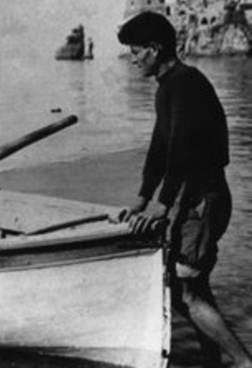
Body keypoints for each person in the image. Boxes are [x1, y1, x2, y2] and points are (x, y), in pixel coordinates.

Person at [117, 11, 252, 368]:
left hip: (203, 200)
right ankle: (214, 361)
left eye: (135, 52)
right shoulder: (168, 87)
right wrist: (143, 197)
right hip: (193, 199)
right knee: (184, 288)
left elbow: (181, 150)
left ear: (154, 49)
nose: (131, 60)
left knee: (188, 289)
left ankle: (242, 362)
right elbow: (159, 149)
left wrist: (161, 206)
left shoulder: (186, 84)